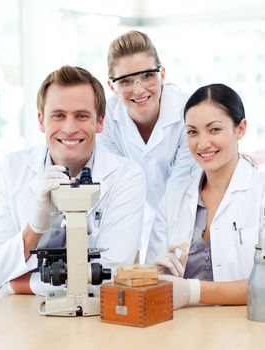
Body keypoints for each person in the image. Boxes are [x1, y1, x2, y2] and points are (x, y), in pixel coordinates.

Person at [0, 65, 146, 297]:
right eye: (58, 115)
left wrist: (17, 285)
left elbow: (111, 276)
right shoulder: (10, 170)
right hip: (18, 317)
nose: (69, 128)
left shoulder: (126, 176)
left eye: (82, 116)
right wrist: (35, 228)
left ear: (100, 122)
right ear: (41, 120)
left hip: (93, 319)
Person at [146, 83, 265, 309]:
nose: (202, 143)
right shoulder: (174, 198)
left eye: (214, 130)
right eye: (192, 132)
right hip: (183, 333)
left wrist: (193, 291)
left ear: (240, 129)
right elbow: (152, 277)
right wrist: (156, 276)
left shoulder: (260, 194)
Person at [97, 30, 197, 261]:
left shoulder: (188, 113)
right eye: (126, 81)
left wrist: (153, 267)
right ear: (112, 87)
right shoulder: (106, 120)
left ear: (162, 74)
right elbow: (118, 189)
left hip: (187, 213)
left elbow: (178, 193)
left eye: (147, 76)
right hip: (137, 217)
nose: (139, 89)